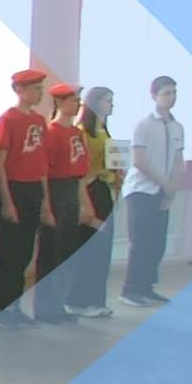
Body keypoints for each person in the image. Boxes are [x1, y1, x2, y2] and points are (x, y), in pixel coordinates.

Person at [36, 82, 102, 324]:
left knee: (66, 250)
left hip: (72, 191)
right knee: (51, 252)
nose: (77, 105)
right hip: (56, 190)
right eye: (73, 100)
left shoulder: (76, 133)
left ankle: (58, 304)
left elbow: (81, 173)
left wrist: (86, 204)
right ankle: (45, 306)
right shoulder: (51, 132)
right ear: (60, 103)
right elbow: (44, 171)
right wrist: (46, 205)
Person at [0, 69, 53, 327]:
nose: (40, 93)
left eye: (41, 88)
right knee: (10, 251)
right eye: (35, 88)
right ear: (20, 90)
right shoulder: (8, 120)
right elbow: (0, 164)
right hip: (14, 188)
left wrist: (45, 201)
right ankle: (3, 306)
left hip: (33, 189)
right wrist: (7, 201)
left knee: (25, 250)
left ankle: (15, 305)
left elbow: (41, 163)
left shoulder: (38, 121)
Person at [121, 74, 186, 307]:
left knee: (157, 243)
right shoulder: (144, 125)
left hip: (163, 191)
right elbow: (139, 160)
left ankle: (146, 287)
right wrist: (163, 182)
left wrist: (172, 188)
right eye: (166, 93)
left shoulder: (177, 126)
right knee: (141, 242)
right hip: (141, 190)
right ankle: (131, 289)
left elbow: (178, 160)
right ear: (154, 95)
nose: (171, 97)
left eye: (174, 93)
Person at [67, 86, 121, 318]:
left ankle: (96, 299)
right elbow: (83, 169)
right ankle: (79, 300)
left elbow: (110, 163)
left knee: (102, 251)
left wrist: (116, 174)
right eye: (108, 101)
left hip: (104, 189)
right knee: (88, 250)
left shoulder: (104, 131)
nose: (112, 105)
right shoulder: (83, 133)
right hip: (89, 191)